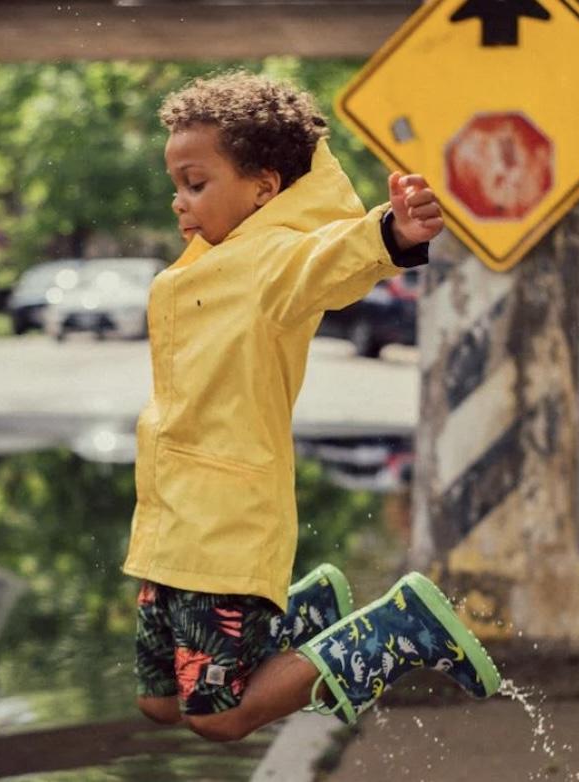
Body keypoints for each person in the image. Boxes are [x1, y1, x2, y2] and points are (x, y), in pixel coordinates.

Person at [123, 71, 500, 743]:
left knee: (219, 718)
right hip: (167, 529)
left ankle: (397, 629)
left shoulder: (270, 262)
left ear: (264, 187)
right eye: (176, 184)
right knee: (159, 703)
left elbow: (328, 258)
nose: (179, 202)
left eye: (197, 183)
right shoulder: (202, 263)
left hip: (221, 532)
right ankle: (303, 618)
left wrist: (392, 232)